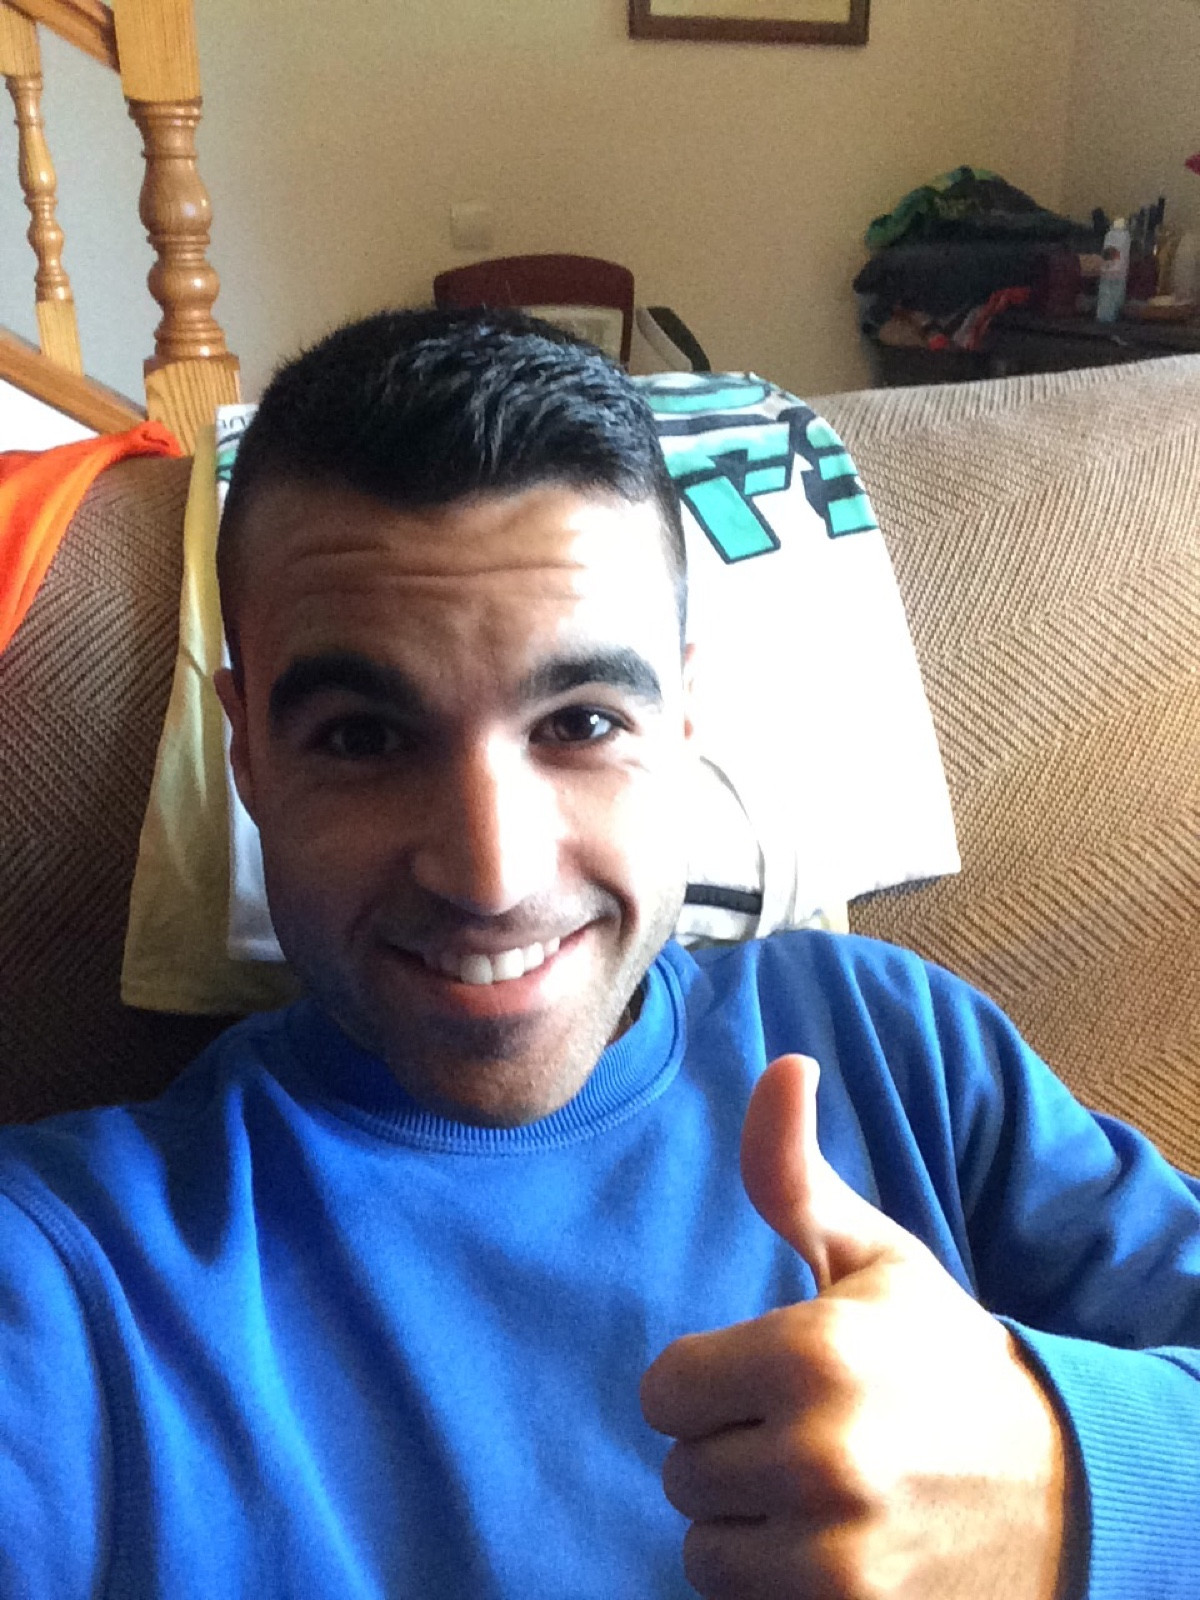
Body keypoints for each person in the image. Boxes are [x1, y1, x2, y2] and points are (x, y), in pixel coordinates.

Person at [1, 308, 1197, 1600]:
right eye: (362, 738)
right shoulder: (63, 1275)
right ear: (247, 751)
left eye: (578, 722)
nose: (491, 875)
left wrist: (1078, 1481)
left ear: (683, 719)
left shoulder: (893, 1047)